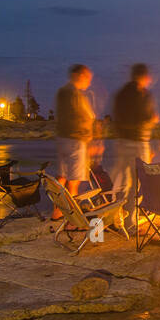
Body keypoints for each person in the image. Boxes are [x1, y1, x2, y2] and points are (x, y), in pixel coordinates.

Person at [110, 63, 159, 229]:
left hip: (122, 143)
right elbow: (144, 120)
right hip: (137, 143)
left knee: (121, 181)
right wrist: (152, 120)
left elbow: (117, 119)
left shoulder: (121, 94)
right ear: (143, 77)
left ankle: (116, 218)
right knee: (137, 182)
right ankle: (131, 223)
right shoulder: (142, 95)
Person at [53, 64, 94, 217]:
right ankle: (73, 219)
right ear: (80, 76)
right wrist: (87, 135)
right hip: (75, 140)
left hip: (62, 138)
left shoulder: (62, 92)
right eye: (88, 77)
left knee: (61, 176)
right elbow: (80, 117)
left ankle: (56, 212)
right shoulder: (74, 94)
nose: (89, 81)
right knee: (74, 180)